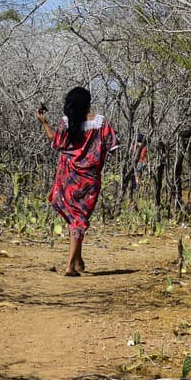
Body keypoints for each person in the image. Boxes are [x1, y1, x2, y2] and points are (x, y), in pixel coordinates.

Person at [37, 87, 119, 276]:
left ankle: (77, 262)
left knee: (75, 219)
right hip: (89, 178)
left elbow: (56, 142)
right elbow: (112, 145)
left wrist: (44, 123)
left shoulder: (67, 123)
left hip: (68, 176)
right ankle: (69, 266)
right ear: (88, 102)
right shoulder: (100, 123)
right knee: (80, 219)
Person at [124, 134, 148, 198]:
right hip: (141, 163)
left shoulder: (135, 146)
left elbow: (132, 154)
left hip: (139, 163)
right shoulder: (143, 147)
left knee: (136, 177)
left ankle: (135, 192)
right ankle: (137, 192)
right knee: (138, 177)